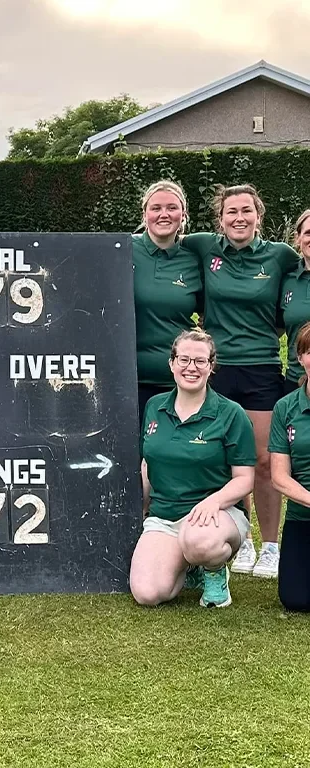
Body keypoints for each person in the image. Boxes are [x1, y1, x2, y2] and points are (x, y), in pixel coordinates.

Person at [183, 184, 299, 579]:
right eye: (231, 211)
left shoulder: (280, 255)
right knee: (226, 460)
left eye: (246, 210)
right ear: (220, 218)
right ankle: (242, 539)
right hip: (216, 369)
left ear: (258, 216)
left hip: (262, 368)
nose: (239, 218)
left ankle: (270, 547)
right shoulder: (203, 247)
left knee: (264, 461)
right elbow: (161, 240)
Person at [130, 329, 256, 609]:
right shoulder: (154, 407)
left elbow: (245, 479)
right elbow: (148, 463)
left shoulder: (231, 413)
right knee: (148, 593)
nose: (191, 367)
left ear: (211, 366)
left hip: (216, 516)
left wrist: (215, 501)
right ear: (172, 363)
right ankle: (190, 566)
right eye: (184, 359)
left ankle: (214, 572)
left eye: (200, 361)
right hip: (165, 517)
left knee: (198, 539)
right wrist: (144, 510)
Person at [133, 180, 203, 419]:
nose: (164, 214)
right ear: (145, 214)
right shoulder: (121, 249)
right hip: (127, 380)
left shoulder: (194, 258)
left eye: (172, 208)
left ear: (183, 215)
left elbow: (211, 312)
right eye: (156, 208)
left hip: (178, 381)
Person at [269, 322, 310, 611]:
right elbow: (279, 477)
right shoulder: (285, 407)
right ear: (300, 357)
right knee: (295, 599)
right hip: (302, 517)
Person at [278, 209, 310, 394]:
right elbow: (276, 327)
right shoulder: (286, 279)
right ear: (298, 238)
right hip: (295, 382)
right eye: (308, 233)